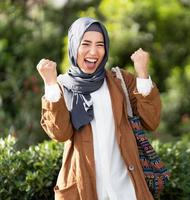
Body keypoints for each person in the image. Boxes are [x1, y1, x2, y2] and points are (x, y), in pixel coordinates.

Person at [36, 17, 161, 200]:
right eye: (85, 43)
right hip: (84, 189)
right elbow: (60, 134)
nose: (93, 52)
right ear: (74, 45)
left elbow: (151, 121)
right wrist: (50, 84)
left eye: (100, 44)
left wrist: (142, 74)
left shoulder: (120, 81)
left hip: (126, 189)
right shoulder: (62, 86)